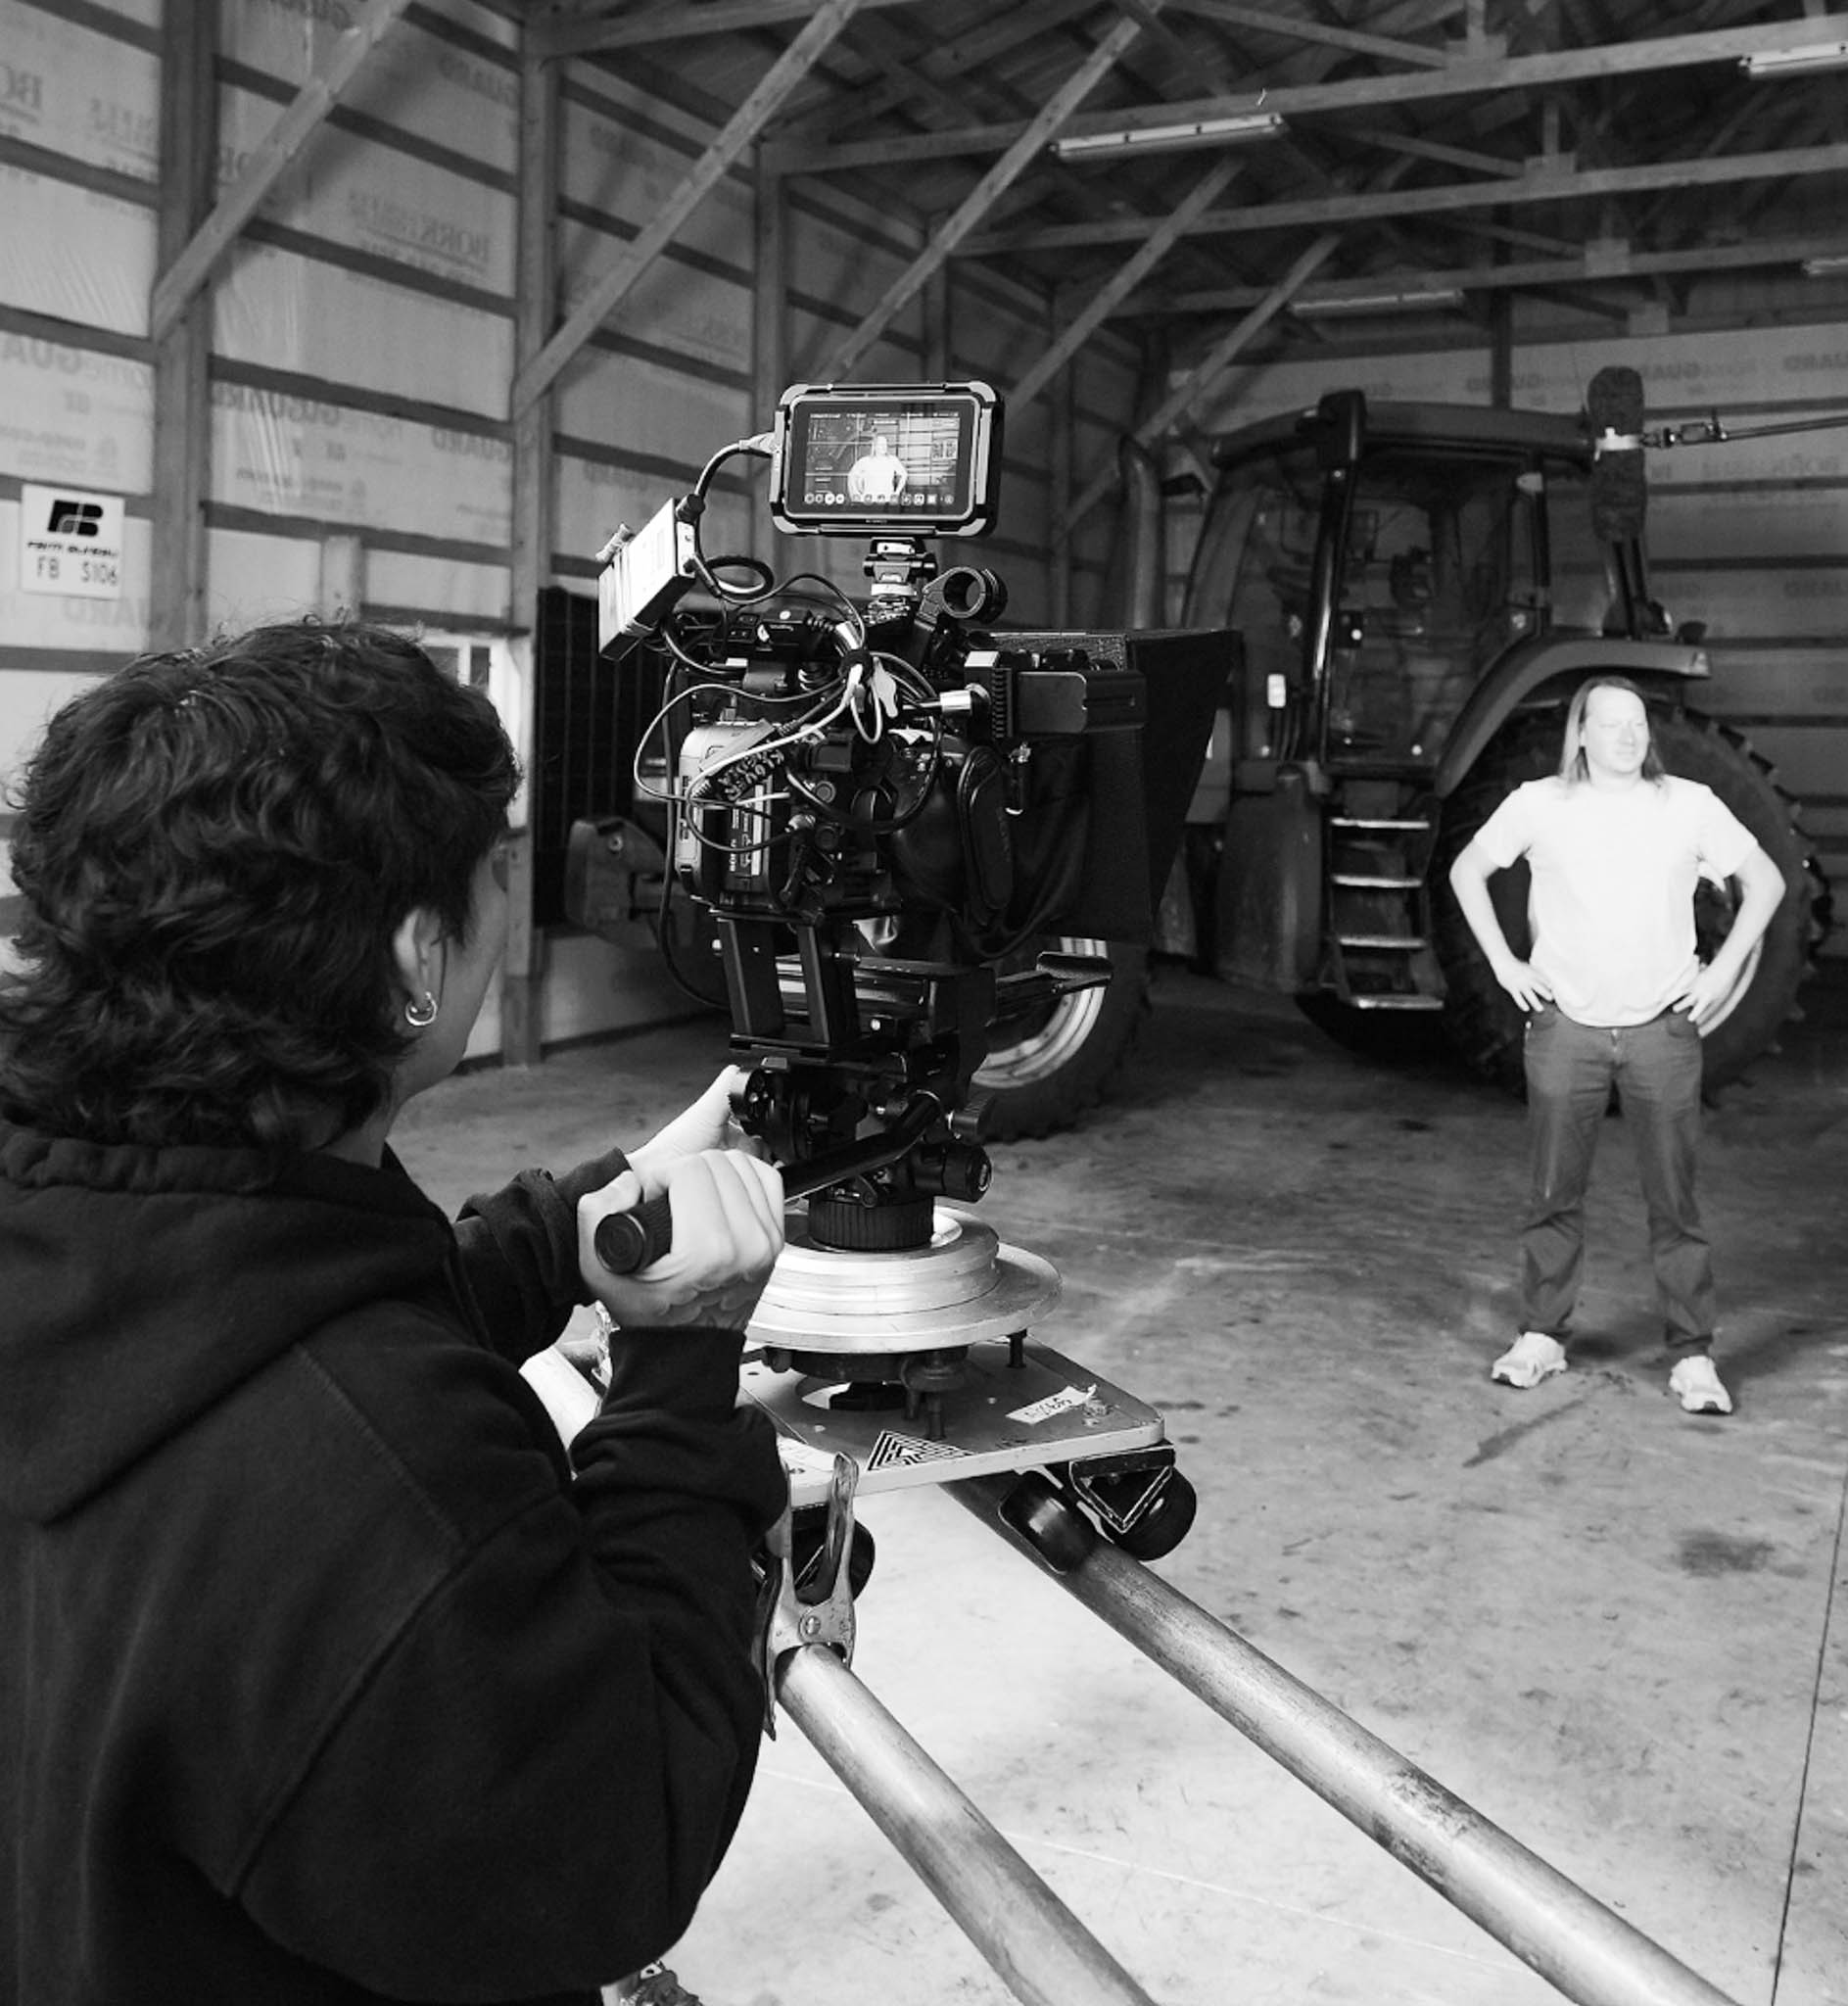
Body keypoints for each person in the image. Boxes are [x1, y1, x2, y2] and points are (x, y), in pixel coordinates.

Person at [0, 621, 787, 2005]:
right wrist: (679, 1377)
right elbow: (604, 1854)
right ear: (418, 957)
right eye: (498, 872)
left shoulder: (92, 1224)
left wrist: (585, 1214)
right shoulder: (384, 1492)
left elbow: (257, 1318)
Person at [1446, 675, 1785, 1416]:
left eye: (1636, 724)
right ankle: (1541, 1335)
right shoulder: (1539, 804)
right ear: (1581, 735)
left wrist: (1723, 971)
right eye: (1611, 724)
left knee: (1674, 1203)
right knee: (1551, 1195)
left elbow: (1764, 881)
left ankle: (1693, 1356)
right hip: (1565, 1030)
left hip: (1660, 1032)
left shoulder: (1687, 805)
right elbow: (1465, 869)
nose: (1628, 736)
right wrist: (1504, 963)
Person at [845, 432, 907, 503]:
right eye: (881, 444)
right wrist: (856, 494)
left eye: (885, 444)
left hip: (887, 500)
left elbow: (904, 474)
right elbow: (851, 476)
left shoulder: (892, 460)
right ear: (875, 446)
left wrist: (897, 493)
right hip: (869, 501)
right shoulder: (865, 461)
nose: (884, 447)